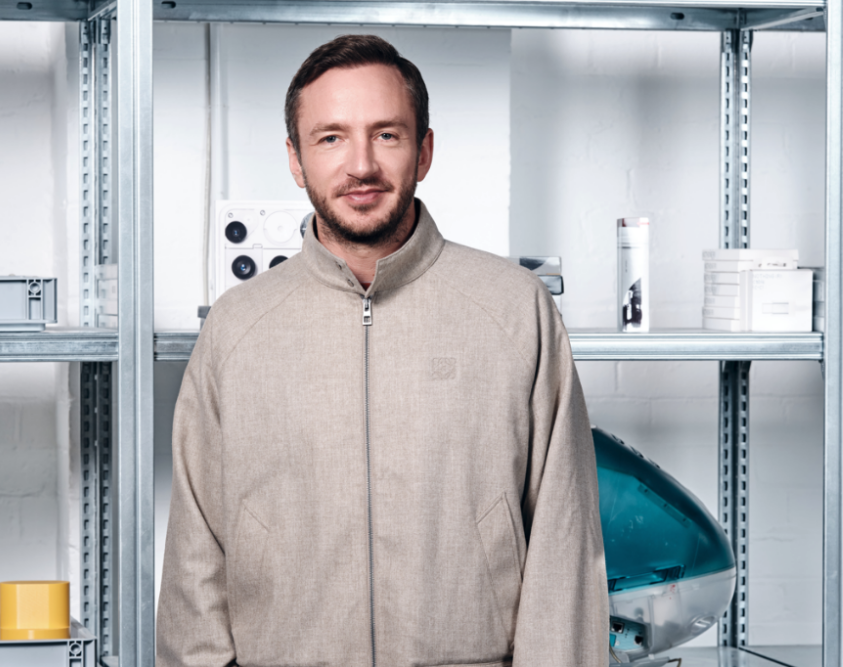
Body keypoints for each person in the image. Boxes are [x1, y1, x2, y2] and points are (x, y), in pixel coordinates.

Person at [157, 34, 608, 667]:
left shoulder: (514, 310)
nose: (361, 165)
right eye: (331, 138)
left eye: (387, 135)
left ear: (424, 151)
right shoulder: (237, 328)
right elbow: (194, 564)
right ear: (296, 159)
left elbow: (565, 546)